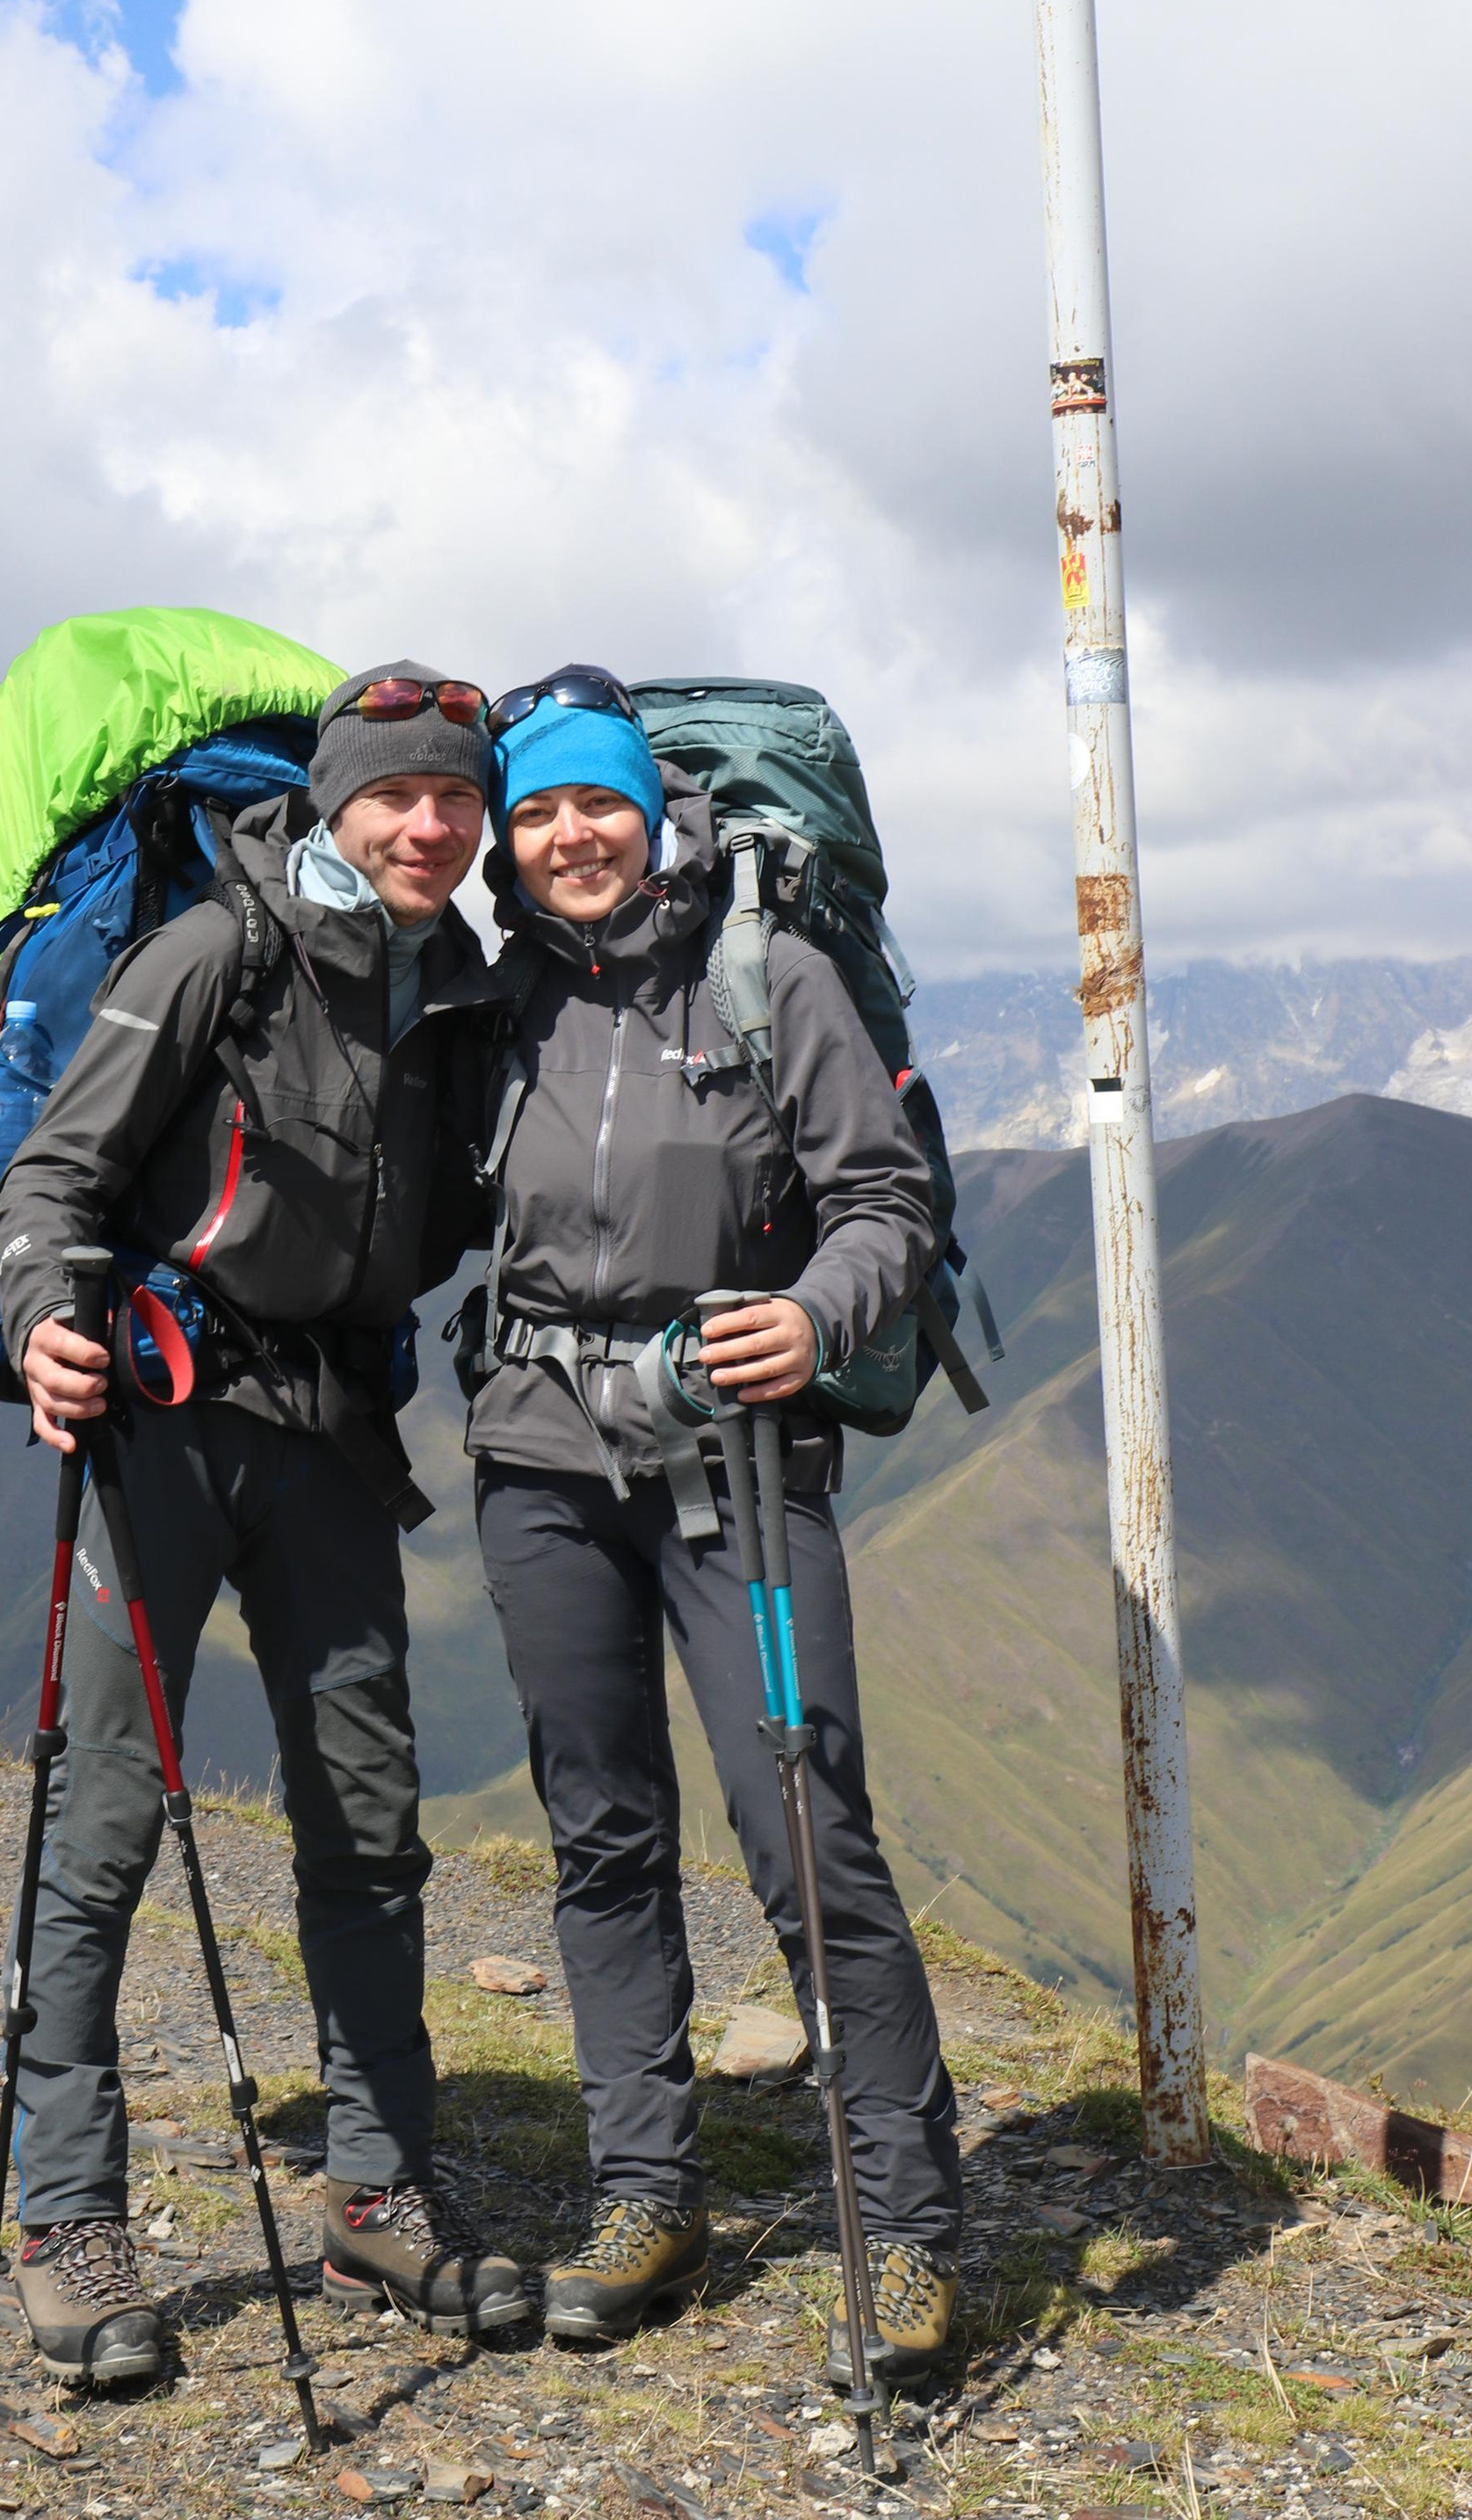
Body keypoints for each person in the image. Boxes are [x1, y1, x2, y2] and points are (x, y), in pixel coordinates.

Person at [0, 661, 531, 2378]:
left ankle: (376, 2188)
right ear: (337, 801)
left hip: (330, 1436)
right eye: (397, 794)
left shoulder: (459, 985)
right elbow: (54, 1176)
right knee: (103, 1823)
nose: (429, 823)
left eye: (456, 797)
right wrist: (43, 1319)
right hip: (161, 1422)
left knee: (367, 1821)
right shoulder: (213, 948)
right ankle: (66, 2219)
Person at [460, 667, 961, 2378]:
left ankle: (904, 2231)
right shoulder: (496, 1004)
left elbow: (883, 1198)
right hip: (539, 1466)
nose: (570, 836)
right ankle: (645, 2199)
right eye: (535, 812)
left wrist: (814, 1315)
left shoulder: (767, 977)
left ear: (650, 814)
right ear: (506, 842)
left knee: (804, 1835)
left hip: (739, 1464)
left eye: (594, 803)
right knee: (600, 1837)